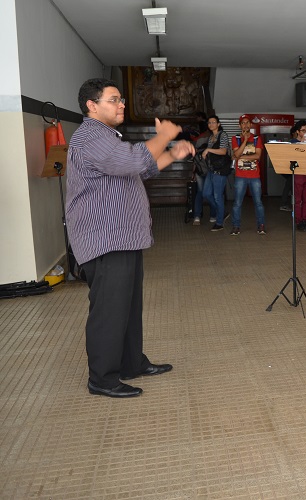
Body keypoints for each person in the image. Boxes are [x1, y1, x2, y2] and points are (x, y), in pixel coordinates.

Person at [66, 78, 194, 398]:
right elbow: (133, 161)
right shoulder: (90, 136)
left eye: (121, 99)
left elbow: (141, 169)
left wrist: (172, 154)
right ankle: (103, 379)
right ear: (91, 106)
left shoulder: (108, 136)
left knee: (128, 307)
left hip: (123, 237)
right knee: (109, 311)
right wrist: (163, 134)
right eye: (113, 100)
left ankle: (131, 362)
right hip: (105, 239)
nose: (121, 104)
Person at [230, 114, 266, 235]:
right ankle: (236, 226)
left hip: (254, 176)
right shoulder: (235, 138)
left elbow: (258, 156)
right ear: (239, 125)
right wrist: (245, 140)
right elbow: (236, 153)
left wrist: (240, 156)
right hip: (240, 176)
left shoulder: (257, 138)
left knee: (258, 202)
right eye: (243, 123)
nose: (245, 125)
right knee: (237, 203)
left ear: (250, 125)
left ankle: (261, 225)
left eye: (247, 123)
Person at [202, 115, 231, 231]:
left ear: (218, 124)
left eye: (213, 122)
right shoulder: (211, 137)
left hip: (220, 170)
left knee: (218, 196)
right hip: (211, 169)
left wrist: (208, 150)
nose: (211, 124)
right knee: (206, 194)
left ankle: (219, 222)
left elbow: (223, 151)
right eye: (209, 123)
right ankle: (222, 212)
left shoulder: (222, 135)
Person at [289, 120, 306, 231]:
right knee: (298, 199)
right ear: (298, 132)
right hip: (298, 173)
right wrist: (301, 143)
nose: (305, 133)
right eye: (303, 130)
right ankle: (298, 220)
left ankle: (305, 220)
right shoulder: (293, 142)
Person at [191, 118, 211, 225]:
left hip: (199, 170)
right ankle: (213, 215)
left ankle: (197, 216)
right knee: (210, 193)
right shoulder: (212, 138)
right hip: (209, 170)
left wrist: (193, 172)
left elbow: (194, 157)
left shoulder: (199, 139)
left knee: (199, 192)